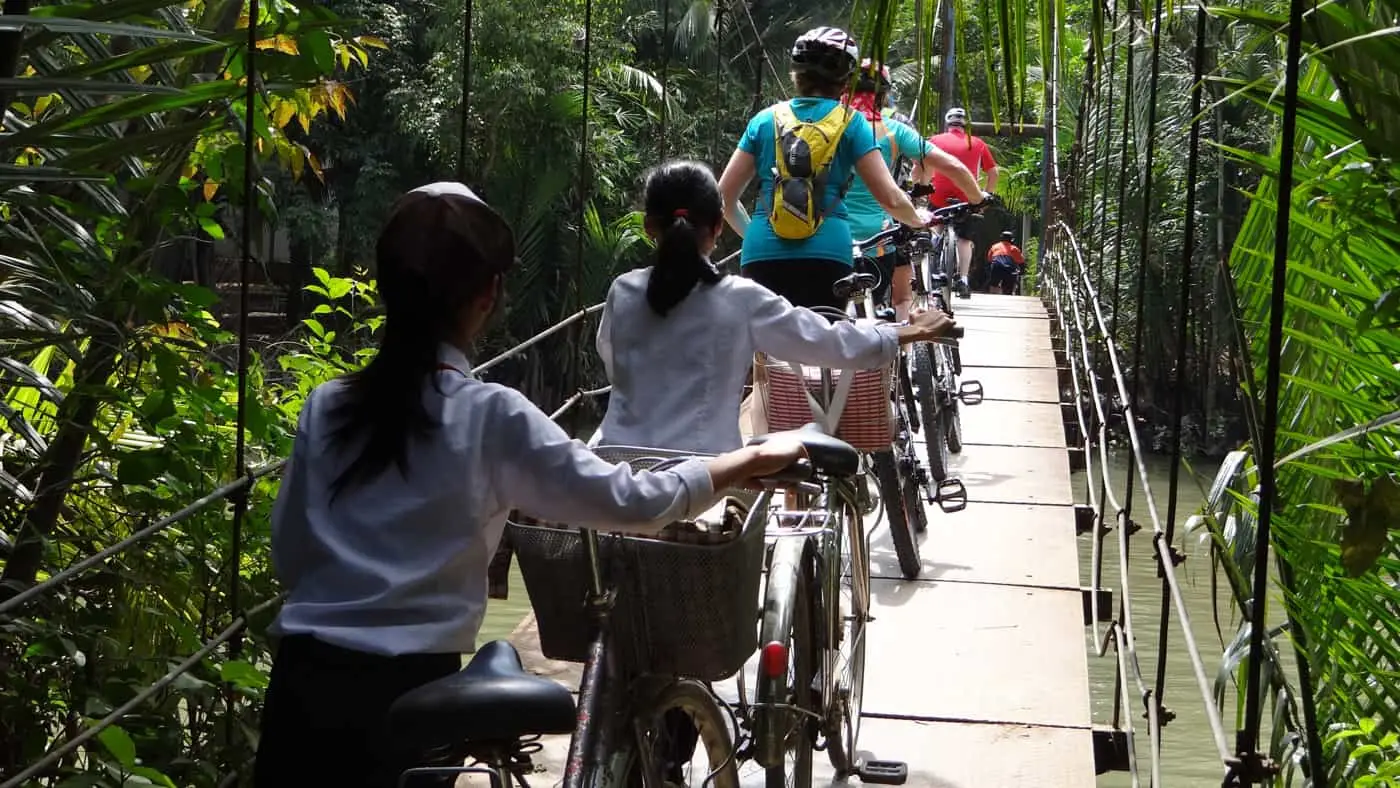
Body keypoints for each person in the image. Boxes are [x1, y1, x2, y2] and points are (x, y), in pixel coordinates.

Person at [252, 181, 812, 788]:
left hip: (300, 692)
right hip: (414, 698)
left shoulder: (326, 405)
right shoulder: (491, 415)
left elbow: (290, 553)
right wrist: (744, 461)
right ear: (489, 296)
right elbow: (636, 501)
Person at [596, 160, 959, 455]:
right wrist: (909, 330)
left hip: (615, 471)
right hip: (703, 479)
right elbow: (827, 343)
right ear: (719, 226)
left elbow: (616, 366)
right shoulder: (740, 299)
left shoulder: (622, 291)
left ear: (648, 228)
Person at [717, 27, 981, 311]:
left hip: (762, 254)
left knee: (766, 344)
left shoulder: (763, 120)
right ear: (845, 81)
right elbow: (890, 197)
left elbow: (722, 199)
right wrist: (917, 220)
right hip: (828, 254)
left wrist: (757, 234)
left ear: (795, 74)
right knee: (826, 346)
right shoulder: (851, 123)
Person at [841, 59, 985, 320]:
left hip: (827, 235)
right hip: (882, 231)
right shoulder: (896, 125)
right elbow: (934, 165)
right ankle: (901, 351)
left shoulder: (825, 126)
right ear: (884, 93)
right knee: (903, 296)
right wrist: (975, 197)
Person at [923, 107, 1000, 298]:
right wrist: (986, 196)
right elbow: (993, 172)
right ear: (966, 124)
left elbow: (923, 165)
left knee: (935, 228)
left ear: (947, 123)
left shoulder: (934, 140)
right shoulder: (978, 143)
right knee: (964, 239)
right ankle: (964, 280)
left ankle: (928, 271)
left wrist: (923, 186)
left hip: (938, 196)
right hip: (967, 196)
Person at [986, 229, 1026, 295]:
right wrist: (1022, 271)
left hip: (996, 266)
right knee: (1008, 289)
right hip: (1009, 268)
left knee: (994, 285)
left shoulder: (994, 246)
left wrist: (989, 272)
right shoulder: (1014, 248)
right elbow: (1021, 263)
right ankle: (1007, 294)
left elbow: (989, 260)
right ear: (1011, 240)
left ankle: (993, 295)